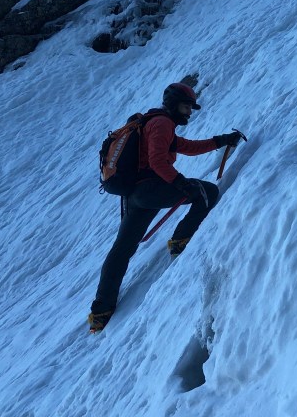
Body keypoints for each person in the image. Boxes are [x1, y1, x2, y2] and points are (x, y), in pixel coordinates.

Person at [88, 80, 243, 332]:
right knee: (207, 192)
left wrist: (221, 140)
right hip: (150, 190)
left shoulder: (154, 122)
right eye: (186, 107)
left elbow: (186, 147)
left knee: (122, 248)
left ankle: (101, 310)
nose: (189, 112)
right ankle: (180, 240)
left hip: (134, 195)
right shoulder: (162, 124)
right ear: (173, 104)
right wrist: (181, 183)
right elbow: (158, 161)